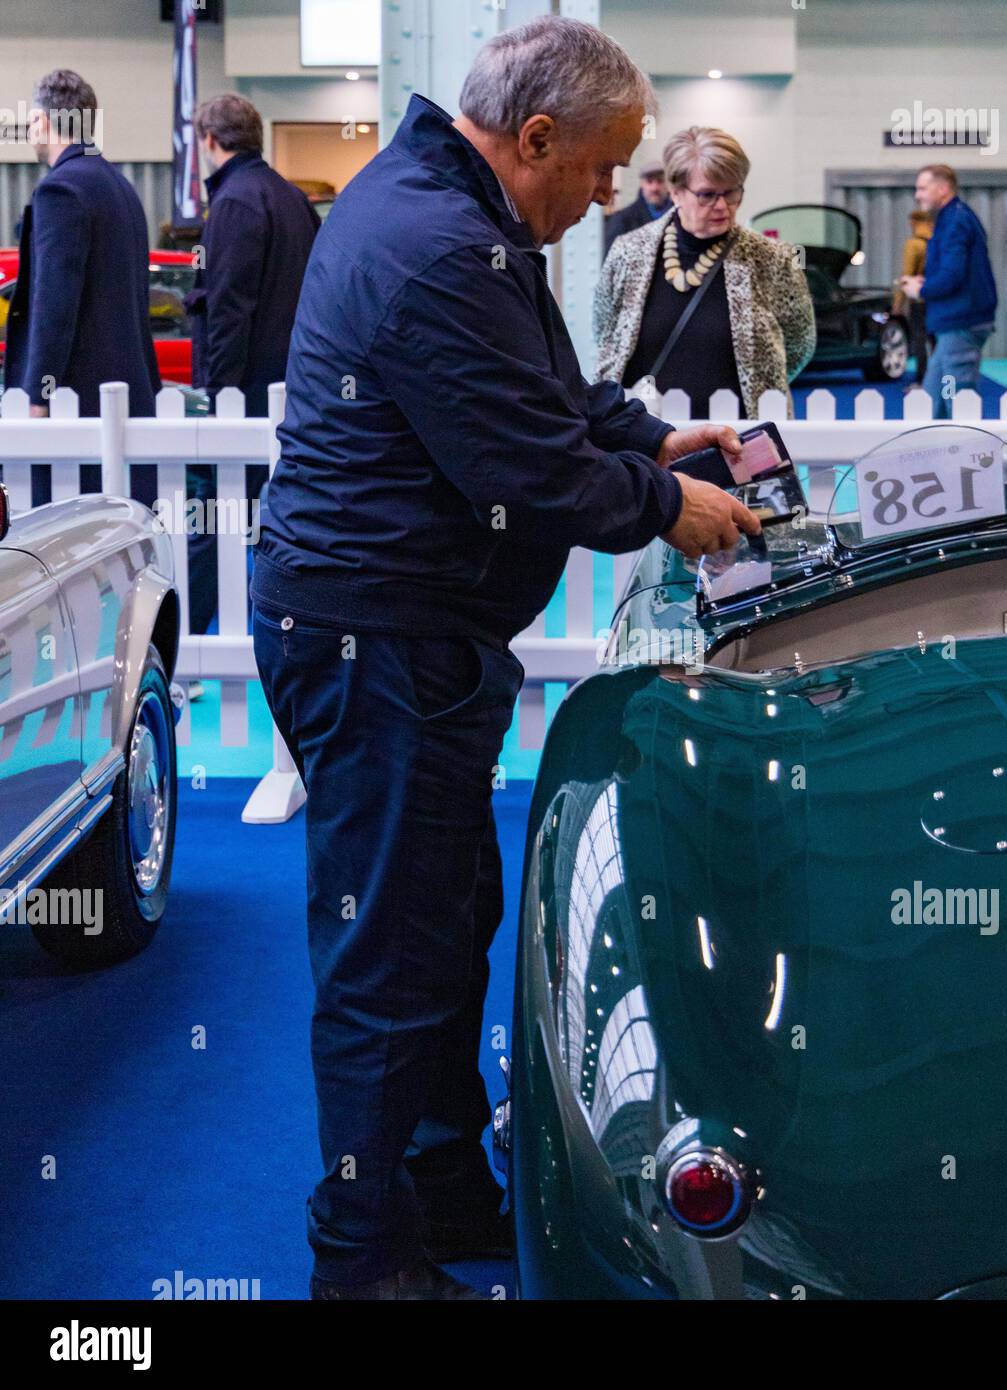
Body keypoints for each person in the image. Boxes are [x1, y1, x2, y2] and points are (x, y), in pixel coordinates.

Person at [251, 15, 758, 1302]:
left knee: (440, 922)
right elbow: (521, 463)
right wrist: (662, 506)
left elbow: (551, 399)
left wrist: (654, 440)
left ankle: (428, 1187)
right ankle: (360, 1259)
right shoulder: (438, 244)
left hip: (408, 631)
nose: (608, 198)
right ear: (534, 137)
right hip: (379, 638)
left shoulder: (462, 213)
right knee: (385, 953)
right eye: (598, 169)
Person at [595, 126, 815, 419]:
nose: (722, 205)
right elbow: (606, 334)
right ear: (676, 192)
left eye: (732, 191)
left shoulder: (773, 260)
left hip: (743, 444)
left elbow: (799, 345)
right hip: (645, 446)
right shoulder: (627, 252)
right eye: (707, 195)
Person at [6, 70, 159, 437]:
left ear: (43, 122)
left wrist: (39, 394)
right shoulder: (121, 185)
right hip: (128, 393)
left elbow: (53, 304)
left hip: (80, 401)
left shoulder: (60, 190)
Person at [187, 93, 320, 418]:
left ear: (209, 139)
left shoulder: (233, 202)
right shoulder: (294, 198)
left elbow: (229, 307)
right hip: (297, 382)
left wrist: (220, 396)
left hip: (249, 393)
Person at [901, 164, 997, 418]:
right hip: (956, 324)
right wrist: (927, 282)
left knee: (958, 400)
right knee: (935, 399)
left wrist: (920, 290)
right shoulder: (951, 218)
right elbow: (954, 271)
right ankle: (938, 454)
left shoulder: (955, 221)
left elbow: (952, 276)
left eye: (922, 188)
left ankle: (965, 456)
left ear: (942, 189)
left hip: (961, 324)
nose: (917, 195)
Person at [893, 208, 932, 381]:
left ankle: (922, 378)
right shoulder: (938, 242)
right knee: (936, 339)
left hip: (919, 299)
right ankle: (942, 379)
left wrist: (898, 303)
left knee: (919, 338)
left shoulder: (914, 244)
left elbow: (907, 275)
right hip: (938, 298)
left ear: (915, 222)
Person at [602, 157, 670, 254]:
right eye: (650, 182)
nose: (655, 188)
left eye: (660, 181)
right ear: (642, 184)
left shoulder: (679, 216)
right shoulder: (622, 220)